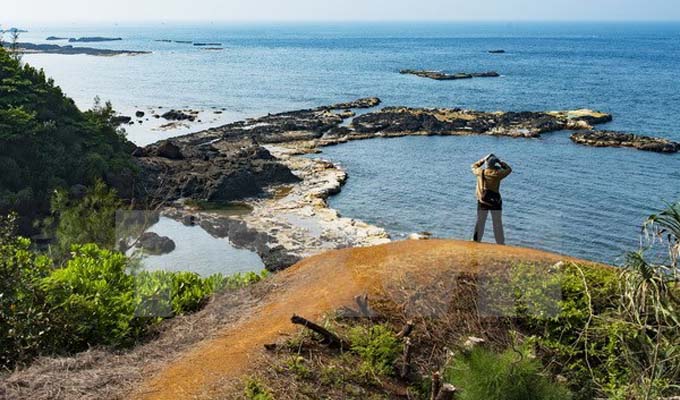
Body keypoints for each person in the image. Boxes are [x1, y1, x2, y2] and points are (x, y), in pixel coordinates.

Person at [471, 154, 512, 244]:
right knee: (497, 223)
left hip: (482, 201)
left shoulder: (480, 172)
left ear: (486, 164)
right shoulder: (498, 174)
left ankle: (476, 241)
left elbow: (473, 166)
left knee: (480, 222)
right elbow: (509, 169)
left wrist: (483, 159)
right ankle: (500, 242)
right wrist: (500, 162)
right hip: (495, 202)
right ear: (494, 164)